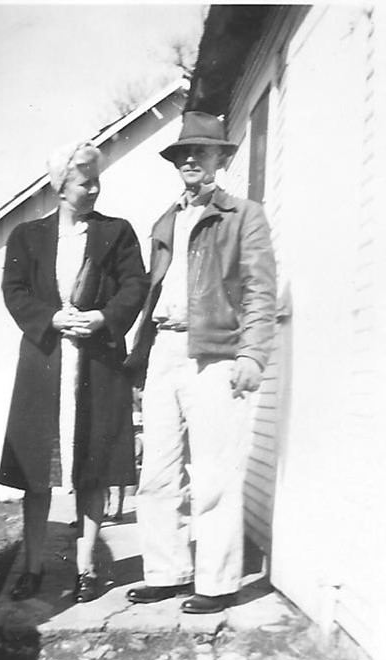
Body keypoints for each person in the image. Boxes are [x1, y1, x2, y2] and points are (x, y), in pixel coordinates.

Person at [124, 111, 277, 614]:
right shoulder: (165, 220)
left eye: (201, 151)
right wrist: (140, 355)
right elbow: (153, 292)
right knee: (157, 472)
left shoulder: (243, 216)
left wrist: (253, 353)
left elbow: (259, 291)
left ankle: (217, 582)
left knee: (213, 474)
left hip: (216, 353)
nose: (190, 159)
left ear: (219, 159)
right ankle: (165, 572)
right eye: (182, 153)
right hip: (164, 349)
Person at [0, 141, 148, 602]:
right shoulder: (27, 236)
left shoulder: (116, 233)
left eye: (97, 180)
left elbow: (135, 285)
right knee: (36, 470)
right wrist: (51, 318)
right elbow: (14, 290)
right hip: (45, 365)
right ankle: (33, 567)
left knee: (93, 468)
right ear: (61, 187)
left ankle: (86, 568)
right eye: (86, 183)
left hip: (97, 366)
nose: (95, 189)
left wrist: (103, 317)